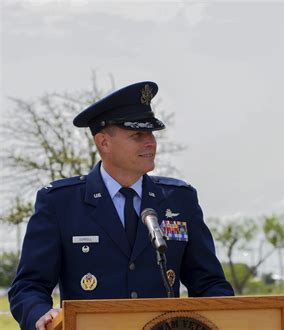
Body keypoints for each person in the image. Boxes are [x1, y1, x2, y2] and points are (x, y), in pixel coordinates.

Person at [8, 81, 234, 330]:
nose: (150, 143)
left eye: (151, 134)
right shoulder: (60, 203)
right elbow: (28, 287)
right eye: (137, 135)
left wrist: (230, 314)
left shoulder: (179, 200)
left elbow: (209, 283)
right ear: (103, 143)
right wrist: (40, 314)